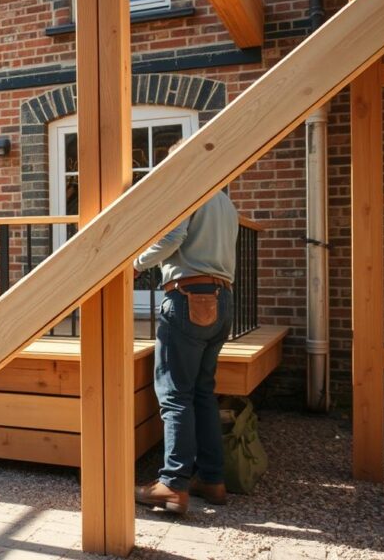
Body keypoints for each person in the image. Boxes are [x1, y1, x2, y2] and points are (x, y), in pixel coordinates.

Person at [133, 177, 238, 514]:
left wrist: (135, 264)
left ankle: (173, 484)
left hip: (188, 297)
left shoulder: (188, 185)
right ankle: (212, 479)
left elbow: (173, 237)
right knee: (203, 393)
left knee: (176, 394)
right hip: (222, 300)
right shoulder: (225, 201)